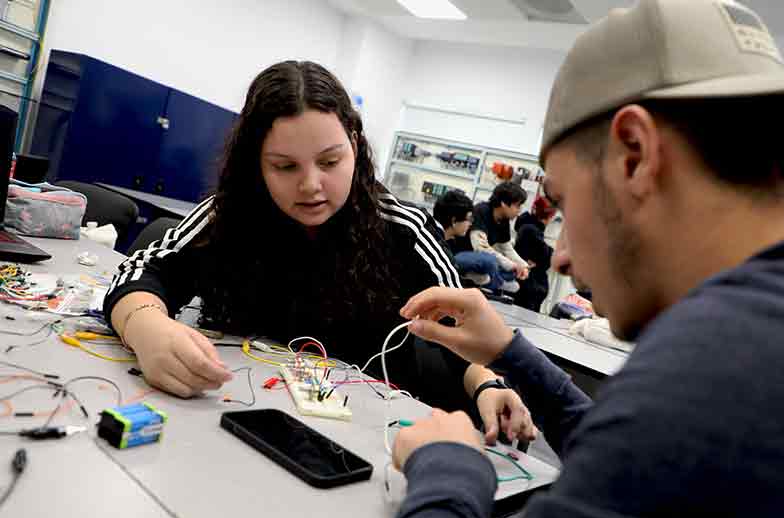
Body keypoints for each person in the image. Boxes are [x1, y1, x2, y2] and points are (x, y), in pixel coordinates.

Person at [361, 0, 784, 518]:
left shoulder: (728, 379)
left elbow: (669, 440)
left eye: (564, 203)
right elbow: (644, 456)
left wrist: (448, 471)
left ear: (635, 156)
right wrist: (511, 352)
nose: (561, 256)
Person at [104, 61, 535, 433]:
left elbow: (464, 331)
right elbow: (141, 271)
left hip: (353, 433)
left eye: (330, 162)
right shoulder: (228, 215)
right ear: (255, 163)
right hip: (227, 413)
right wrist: (146, 328)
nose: (311, 186)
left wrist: (488, 385)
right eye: (285, 166)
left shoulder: (403, 230)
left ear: (354, 144)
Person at [433, 189, 515, 297]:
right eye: (469, 219)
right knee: (489, 260)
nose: (471, 223)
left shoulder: (450, 240)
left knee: (507, 271)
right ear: (454, 221)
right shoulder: (436, 244)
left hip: (459, 265)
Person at [467, 182, 530, 294]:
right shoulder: (481, 211)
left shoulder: (504, 220)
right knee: (490, 261)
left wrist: (523, 266)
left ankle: (494, 280)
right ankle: (493, 281)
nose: (519, 211)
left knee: (512, 273)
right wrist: (513, 265)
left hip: (481, 262)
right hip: (466, 256)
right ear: (504, 204)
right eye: (517, 206)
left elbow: (506, 248)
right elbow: (481, 248)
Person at [512, 194, 556, 311]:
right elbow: (547, 258)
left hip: (525, 283)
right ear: (551, 216)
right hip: (529, 288)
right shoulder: (531, 230)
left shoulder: (526, 227)